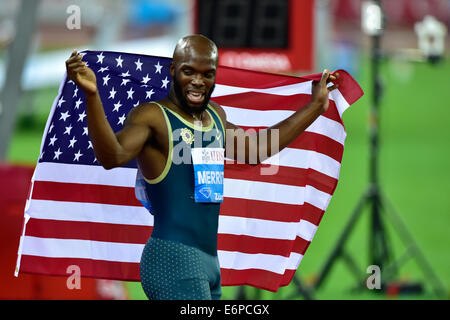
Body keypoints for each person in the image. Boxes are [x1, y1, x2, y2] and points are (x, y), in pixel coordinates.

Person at [65, 34, 339, 300]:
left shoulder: (215, 117)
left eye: (207, 74)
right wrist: (92, 96)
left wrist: (315, 106)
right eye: (188, 72)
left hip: (209, 262)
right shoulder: (153, 116)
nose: (198, 81)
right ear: (173, 70)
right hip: (172, 259)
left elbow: (256, 150)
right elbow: (113, 155)